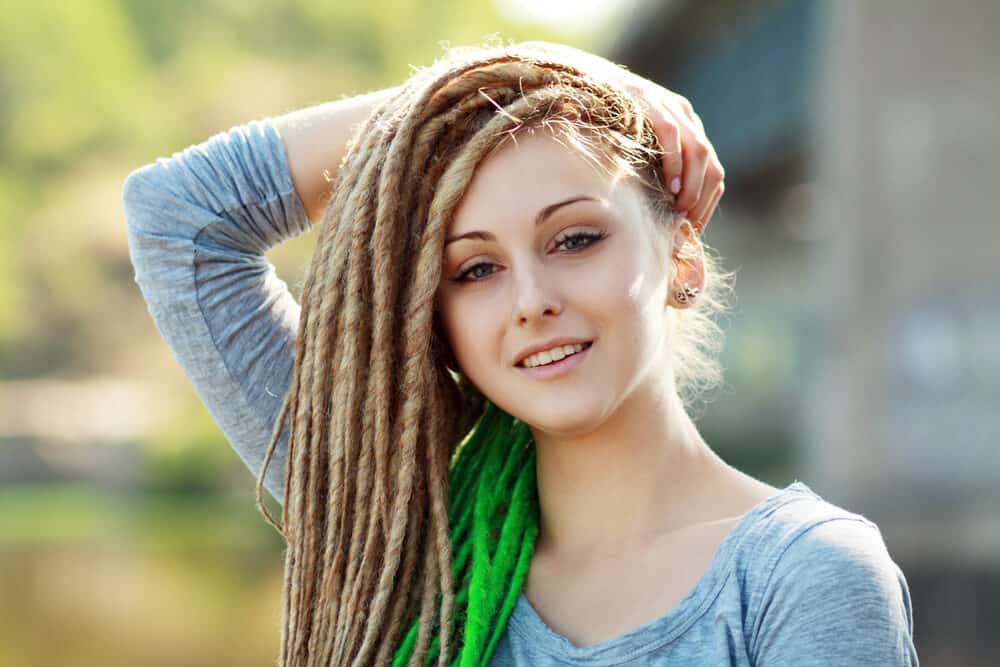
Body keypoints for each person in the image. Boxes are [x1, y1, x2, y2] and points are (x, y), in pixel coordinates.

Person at [122, 41, 918, 666]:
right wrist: (532, 71)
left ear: (681, 255)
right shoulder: (407, 534)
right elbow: (176, 219)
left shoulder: (806, 578)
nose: (531, 298)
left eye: (574, 239)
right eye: (477, 269)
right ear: (437, 322)